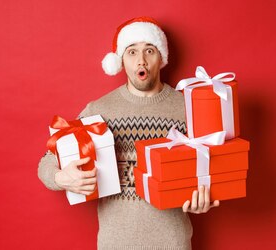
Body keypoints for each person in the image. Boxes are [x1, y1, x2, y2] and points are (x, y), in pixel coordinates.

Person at [38, 16, 219, 250]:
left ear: (161, 57)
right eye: (132, 52)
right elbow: (46, 163)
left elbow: (213, 169)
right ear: (121, 60)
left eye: (149, 51)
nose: (141, 61)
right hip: (115, 244)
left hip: (172, 243)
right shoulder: (99, 110)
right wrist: (63, 178)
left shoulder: (187, 107)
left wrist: (204, 197)